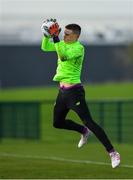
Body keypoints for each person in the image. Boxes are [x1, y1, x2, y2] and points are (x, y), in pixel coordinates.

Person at [41, 19, 120, 168]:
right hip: (62, 92)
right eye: (63, 33)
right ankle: (83, 131)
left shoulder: (79, 48)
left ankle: (112, 152)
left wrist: (55, 38)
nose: (64, 36)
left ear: (76, 36)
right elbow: (45, 48)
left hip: (74, 92)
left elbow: (63, 56)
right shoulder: (62, 44)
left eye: (68, 34)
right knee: (57, 123)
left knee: (89, 121)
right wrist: (46, 35)